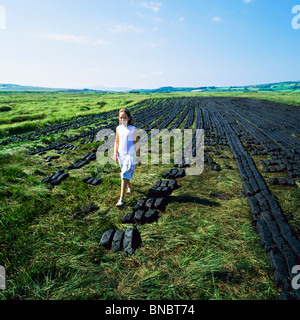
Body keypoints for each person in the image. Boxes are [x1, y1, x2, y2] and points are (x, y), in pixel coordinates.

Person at [113, 108, 141, 207]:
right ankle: (129, 187)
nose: (122, 119)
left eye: (125, 117)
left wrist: (139, 156)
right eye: (121, 118)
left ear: (129, 118)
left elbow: (136, 143)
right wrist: (115, 153)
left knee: (124, 175)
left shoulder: (133, 129)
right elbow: (117, 142)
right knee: (125, 173)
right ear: (118, 118)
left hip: (130, 155)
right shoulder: (118, 128)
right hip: (121, 155)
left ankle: (122, 199)